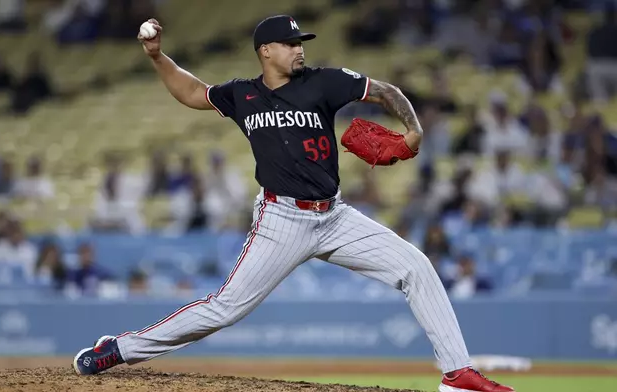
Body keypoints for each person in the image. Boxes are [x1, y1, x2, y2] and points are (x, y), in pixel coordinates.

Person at [72, 15, 513, 392]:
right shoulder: (244, 95)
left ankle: (457, 374)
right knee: (225, 309)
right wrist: (156, 57)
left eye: (300, 43)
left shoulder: (323, 82)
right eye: (290, 44)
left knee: (416, 267)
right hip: (280, 219)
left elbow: (384, 90)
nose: (299, 50)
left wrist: (412, 130)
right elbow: (192, 93)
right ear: (266, 51)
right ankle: (118, 349)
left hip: (335, 216)